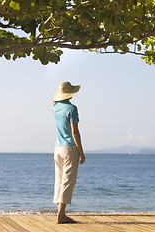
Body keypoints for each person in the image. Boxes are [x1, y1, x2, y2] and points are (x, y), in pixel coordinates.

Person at [52, 81, 86, 224]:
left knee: (59, 180)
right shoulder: (72, 109)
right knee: (67, 181)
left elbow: (53, 100)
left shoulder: (54, 107)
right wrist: (81, 152)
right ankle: (61, 215)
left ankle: (61, 213)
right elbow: (75, 132)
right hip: (70, 149)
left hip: (57, 149)